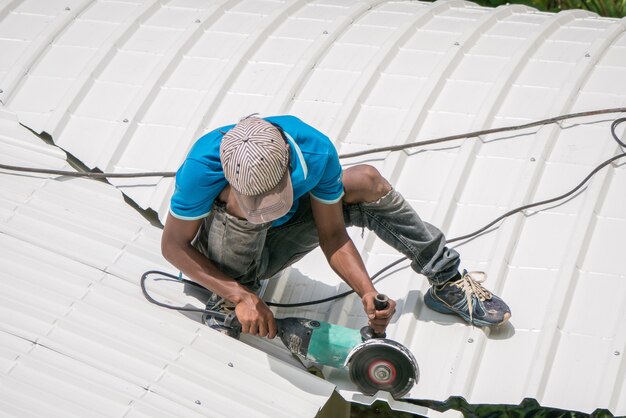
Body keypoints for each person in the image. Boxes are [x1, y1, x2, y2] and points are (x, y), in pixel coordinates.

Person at [161, 114, 511, 339]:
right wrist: (239, 295)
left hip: (277, 243)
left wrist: (366, 293)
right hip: (225, 257)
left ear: (286, 162)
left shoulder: (313, 153)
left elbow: (332, 235)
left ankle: (447, 280)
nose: (264, 210)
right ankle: (231, 304)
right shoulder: (201, 166)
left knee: (366, 180)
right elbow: (173, 246)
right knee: (236, 210)